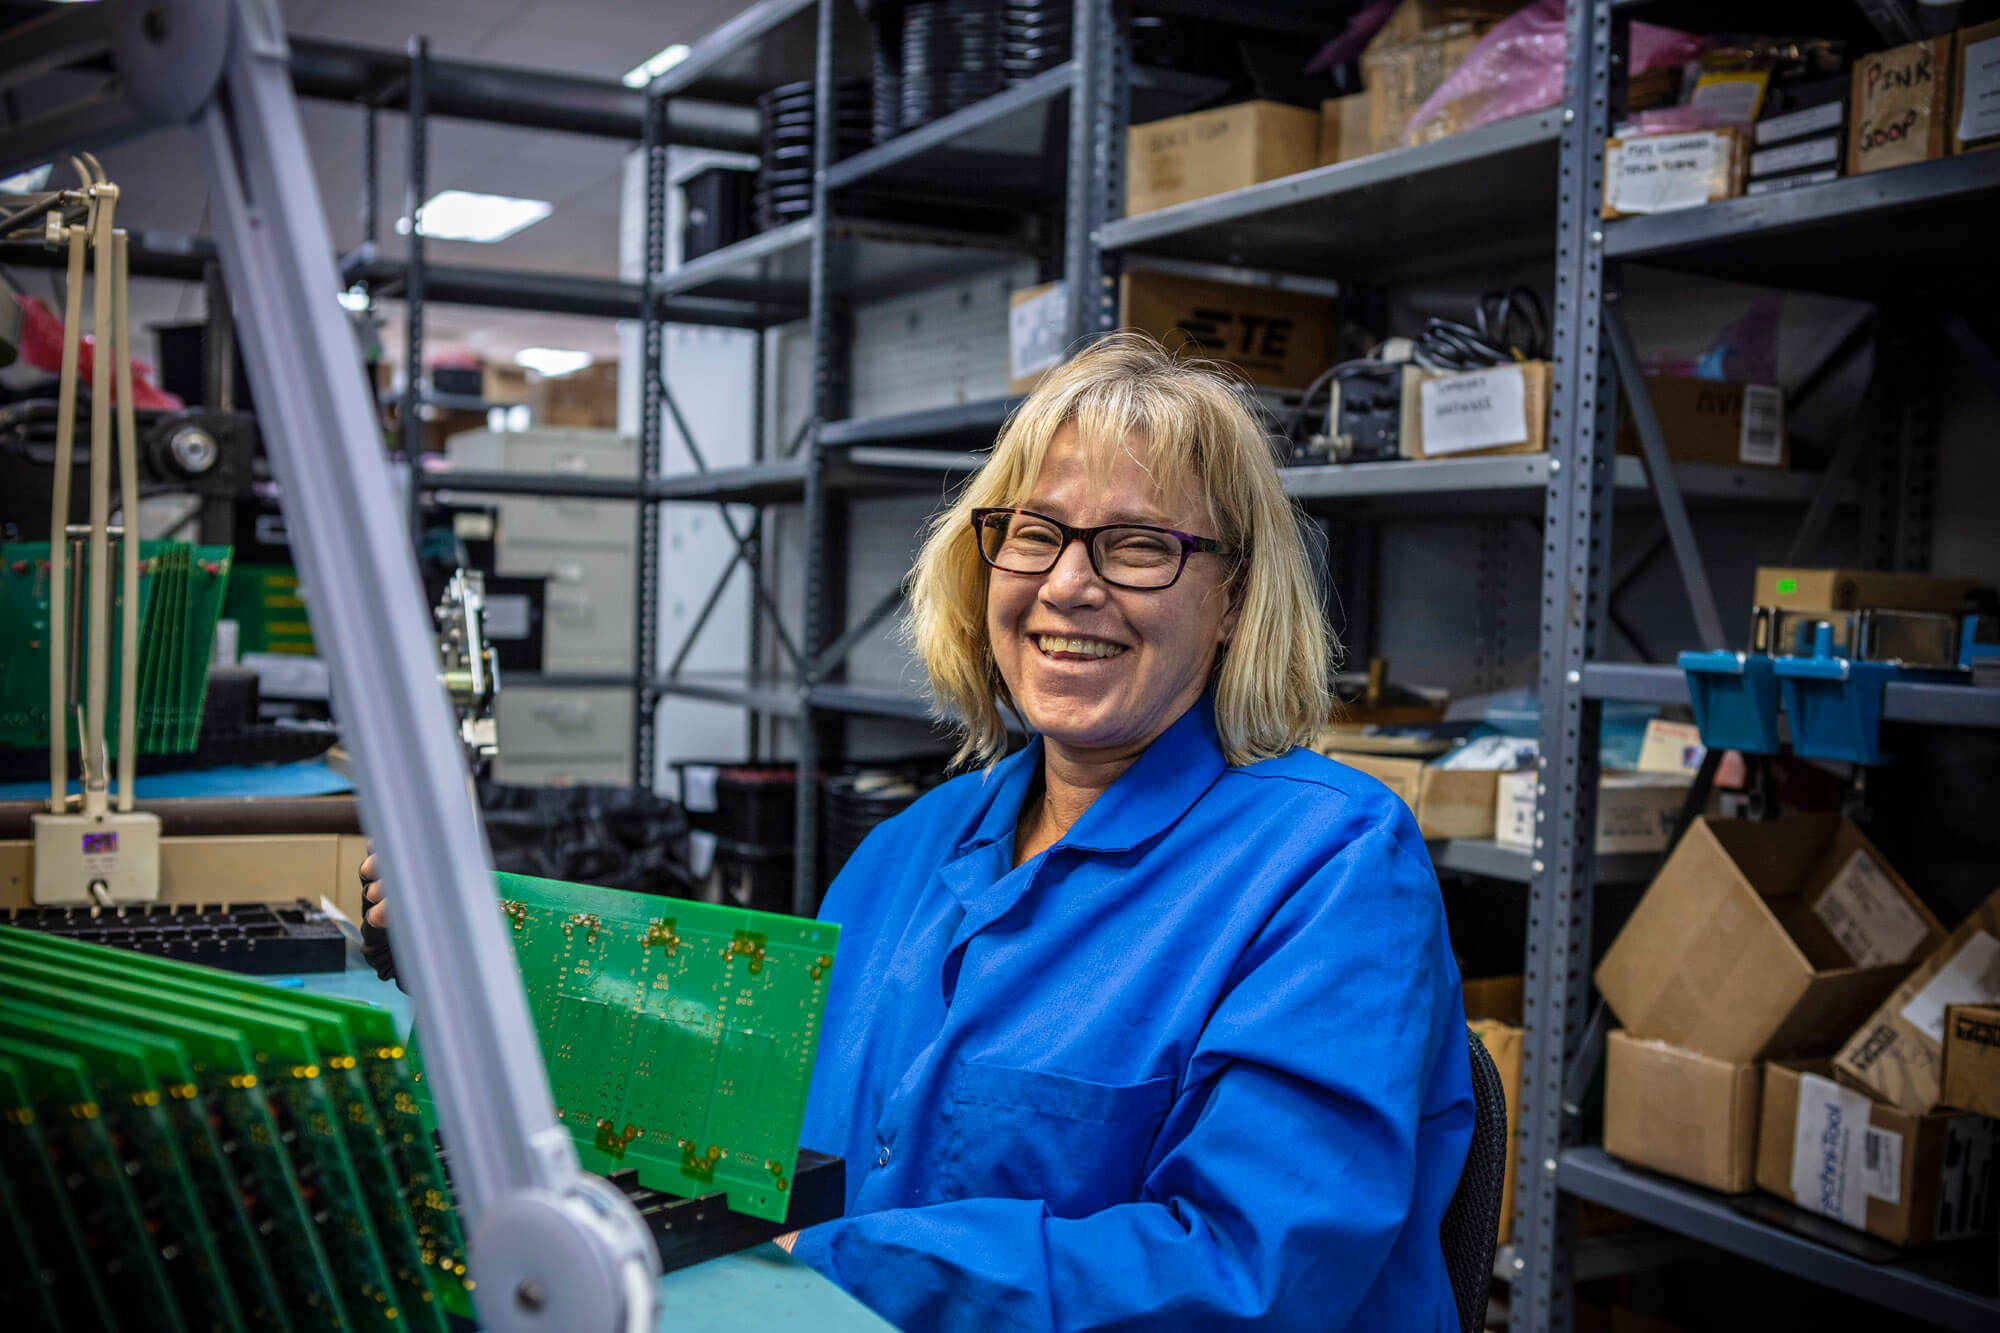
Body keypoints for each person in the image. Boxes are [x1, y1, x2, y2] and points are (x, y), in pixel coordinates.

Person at [362, 332, 1473, 1331]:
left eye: (1136, 545)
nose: (1069, 585)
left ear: (1230, 600)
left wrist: (840, 1267)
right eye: (1034, 534)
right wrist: (483, 961)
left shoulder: (1328, 866)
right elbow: (746, 1115)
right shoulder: (913, 846)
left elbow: (1250, 1269)